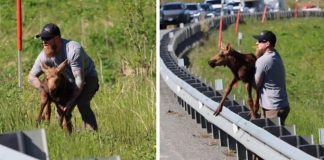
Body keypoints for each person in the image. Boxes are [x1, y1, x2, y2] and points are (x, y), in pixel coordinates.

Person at [28, 23, 99, 131]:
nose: (44, 42)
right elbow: (31, 77)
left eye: (47, 39)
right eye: (42, 39)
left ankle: (93, 135)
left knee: (82, 102)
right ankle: (70, 138)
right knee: (61, 112)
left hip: (88, 78)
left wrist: (70, 102)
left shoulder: (73, 50)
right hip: (67, 82)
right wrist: (44, 90)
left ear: (57, 39)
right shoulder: (44, 56)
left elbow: (79, 82)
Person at [253, 30, 290, 125]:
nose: (257, 43)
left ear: (267, 44)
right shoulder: (275, 55)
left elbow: (256, 84)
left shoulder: (263, 60)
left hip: (272, 108)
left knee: (271, 136)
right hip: (282, 104)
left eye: (260, 41)